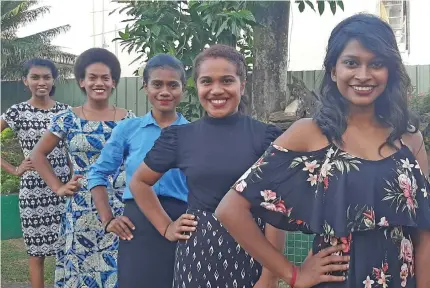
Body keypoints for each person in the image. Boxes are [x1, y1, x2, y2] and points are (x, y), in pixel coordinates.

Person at [215, 13, 430, 288]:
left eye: (376, 64)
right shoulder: (310, 133)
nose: (363, 75)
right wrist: (294, 274)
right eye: (351, 63)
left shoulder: (409, 140)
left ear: (389, 70)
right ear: (333, 70)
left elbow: (424, 235)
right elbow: (231, 209)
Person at [129, 44, 346, 288]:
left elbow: (275, 211)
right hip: (199, 251)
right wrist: (166, 226)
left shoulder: (266, 138)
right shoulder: (180, 138)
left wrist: (270, 275)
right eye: (206, 81)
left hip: (254, 250)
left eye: (227, 80)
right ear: (197, 87)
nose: (216, 90)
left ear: (242, 86)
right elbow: (139, 182)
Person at [31, 48, 135, 288]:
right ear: (82, 81)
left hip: (118, 207)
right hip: (81, 210)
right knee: (81, 271)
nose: (99, 83)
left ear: (113, 83)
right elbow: (37, 154)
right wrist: (58, 187)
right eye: (92, 77)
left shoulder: (128, 120)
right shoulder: (67, 118)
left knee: (117, 270)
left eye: (105, 78)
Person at [87, 54, 189, 287]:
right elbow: (98, 174)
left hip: (181, 220)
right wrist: (108, 218)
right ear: (145, 87)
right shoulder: (129, 129)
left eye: (173, 85)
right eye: (157, 84)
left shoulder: (194, 133)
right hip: (137, 224)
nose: (165, 91)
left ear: (183, 89)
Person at [1, 58, 70, 288]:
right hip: (33, 191)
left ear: (53, 80)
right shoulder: (17, 111)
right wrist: (14, 169)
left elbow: (73, 150)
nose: (41, 82)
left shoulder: (65, 111)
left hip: (63, 187)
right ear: (25, 81)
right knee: (36, 252)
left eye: (46, 77)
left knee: (67, 248)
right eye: (35, 77)